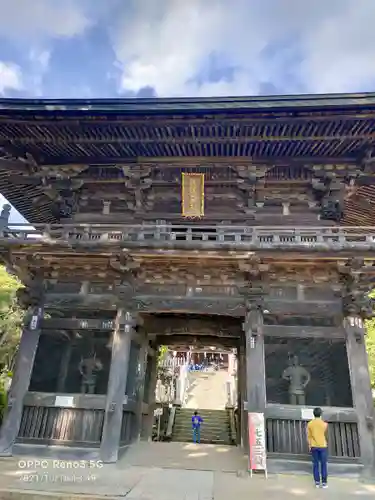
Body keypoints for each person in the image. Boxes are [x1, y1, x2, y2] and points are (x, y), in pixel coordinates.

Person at [307, 407, 328, 488]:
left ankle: (317, 482)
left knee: (315, 464)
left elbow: (309, 436)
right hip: (322, 445)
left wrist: (309, 445)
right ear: (321, 414)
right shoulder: (324, 424)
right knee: (323, 464)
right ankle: (324, 483)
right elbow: (324, 434)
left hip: (313, 445)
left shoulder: (310, 424)